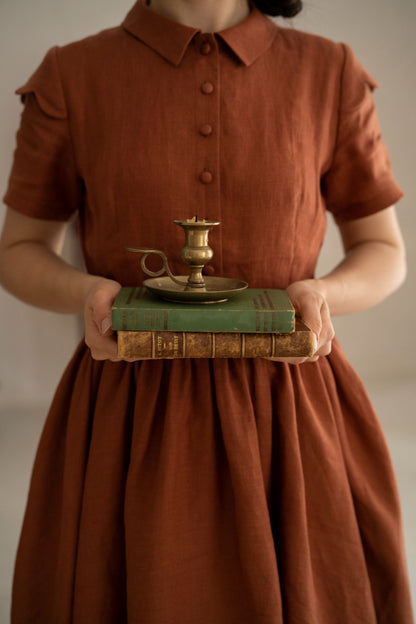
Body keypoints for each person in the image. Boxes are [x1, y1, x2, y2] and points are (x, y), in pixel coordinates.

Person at [0, 0, 413, 621]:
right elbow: (19, 248)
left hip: (291, 416)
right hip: (127, 412)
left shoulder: (330, 72)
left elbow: (384, 250)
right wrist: (88, 296)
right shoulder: (73, 74)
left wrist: (322, 295)